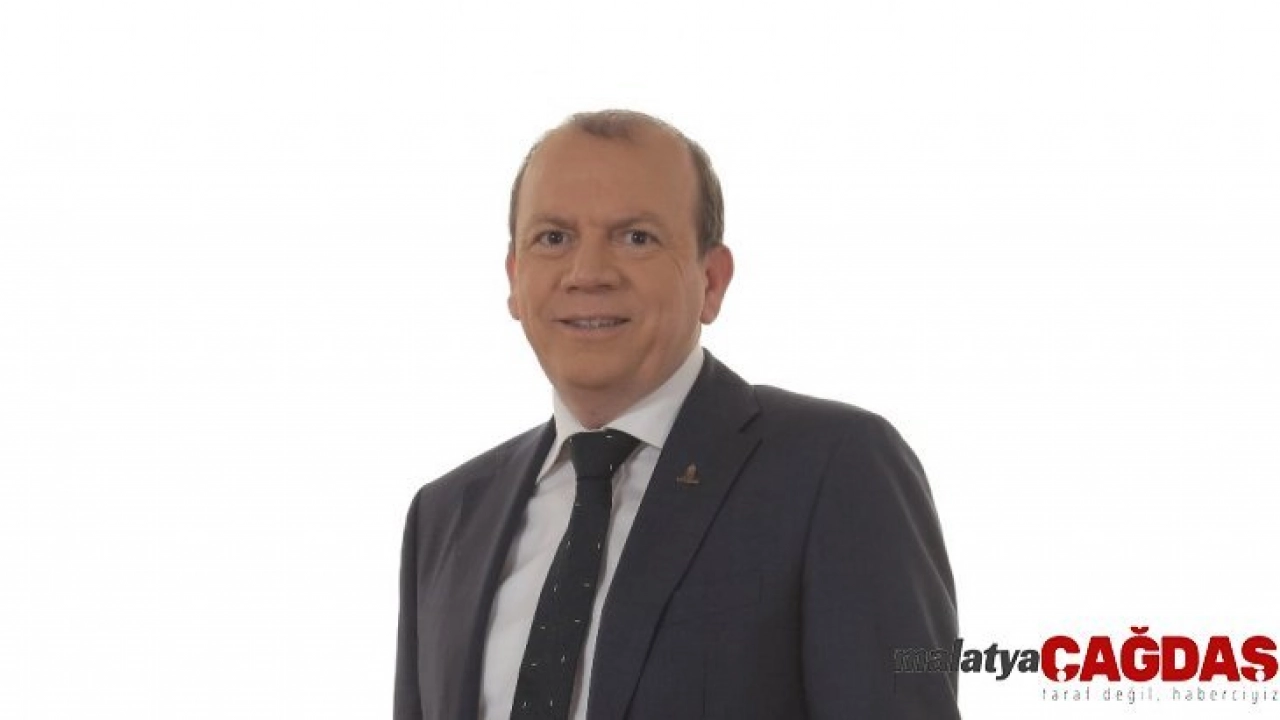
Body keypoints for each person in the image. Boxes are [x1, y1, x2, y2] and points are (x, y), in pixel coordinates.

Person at [394, 109, 960, 719]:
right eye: (553, 238)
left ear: (711, 281)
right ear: (514, 277)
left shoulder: (835, 468)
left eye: (636, 237)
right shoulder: (446, 516)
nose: (588, 273)